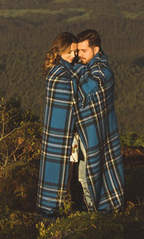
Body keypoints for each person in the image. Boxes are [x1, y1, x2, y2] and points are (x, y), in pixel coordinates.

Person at [72, 29, 125, 213]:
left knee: (88, 175)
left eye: (83, 51)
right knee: (83, 175)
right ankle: (91, 210)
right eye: (77, 51)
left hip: (96, 132)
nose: (79, 55)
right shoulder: (84, 68)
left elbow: (81, 93)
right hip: (84, 132)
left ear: (96, 50)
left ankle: (94, 213)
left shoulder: (102, 73)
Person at [37, 32, 80, 218]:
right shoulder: (64, 76)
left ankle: (56, 211)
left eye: (75, 52)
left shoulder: (55, 71)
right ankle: (60, 214)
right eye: (69, 52)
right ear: (59, 51)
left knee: (60, 176)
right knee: (66, 176)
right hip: (64, 135)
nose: (73, 56)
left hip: (55, 135)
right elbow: (74, 106)